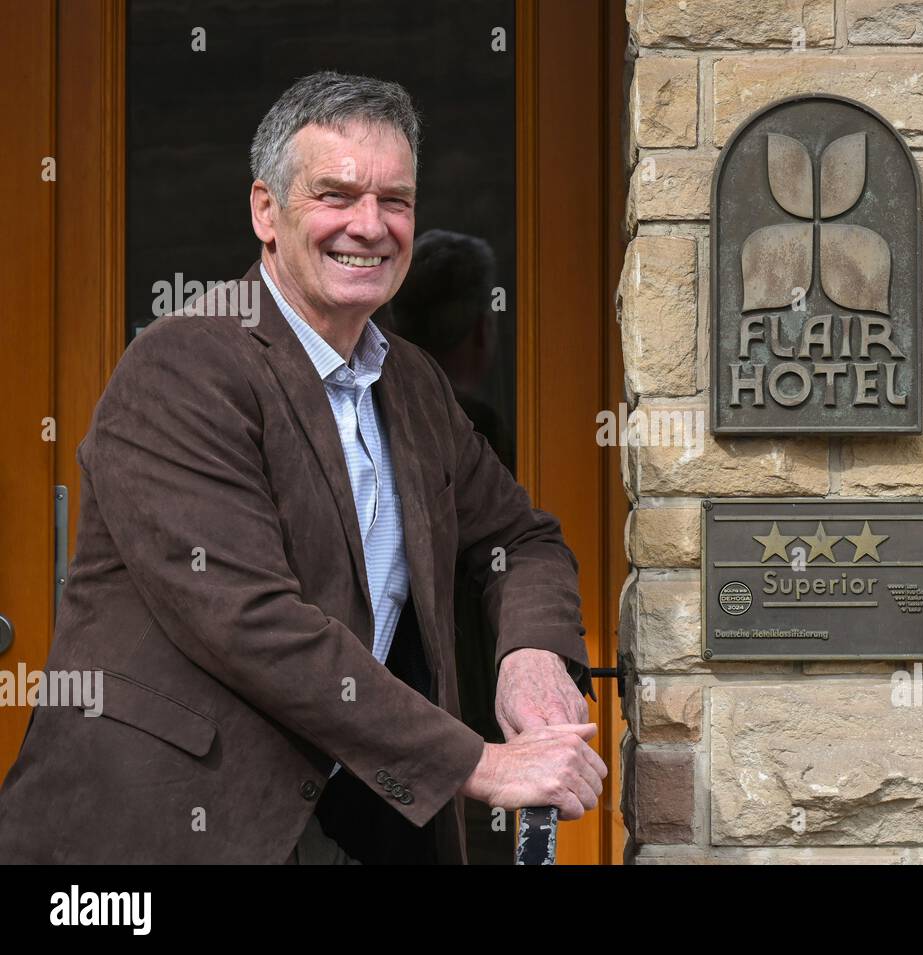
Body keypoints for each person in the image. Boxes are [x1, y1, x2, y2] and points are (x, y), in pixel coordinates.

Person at [0, 70, 607, 864]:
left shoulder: (412, 381)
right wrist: (482, 762)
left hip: (360, 821)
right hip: (169, 831)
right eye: (336, 195)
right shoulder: (182, 365)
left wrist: (530, 652)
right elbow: (253, 623)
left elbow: (520, 537)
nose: (371, 225)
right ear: (266, 211)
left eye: (395, 200)